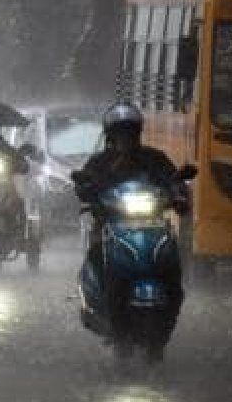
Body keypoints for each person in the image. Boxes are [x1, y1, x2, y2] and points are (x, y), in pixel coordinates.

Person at [74, 102, 187, 353]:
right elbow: (85, 184)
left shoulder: (155, 159)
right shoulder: (100, 162)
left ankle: (165, 330)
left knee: (173, 277)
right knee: (99, 259)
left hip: (153, 226)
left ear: (138, 133)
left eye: (130, 132)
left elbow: (174, 183)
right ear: (111, 136)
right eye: (119, 133)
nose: (125, 138)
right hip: (111, 225)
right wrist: (86, 189)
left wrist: (180, 194)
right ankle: (115, 329)